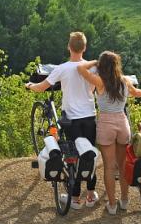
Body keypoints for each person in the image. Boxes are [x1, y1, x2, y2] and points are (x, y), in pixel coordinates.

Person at [25, 31, 99, 209]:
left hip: (71, 119)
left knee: (73, 155)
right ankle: (90, 194)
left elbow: (42, 87)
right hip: (89, 117)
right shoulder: (93, 68)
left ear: (69, 47)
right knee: (89, 155)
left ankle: (74, 199)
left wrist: (29, 86)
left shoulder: (62, 68)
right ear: (85, 48)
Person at [77, 51, 141, 215]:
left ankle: (112, 205)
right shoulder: (125, 81)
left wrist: (94, 63)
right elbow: (139, 93)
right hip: (122, 123)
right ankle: (124, 201)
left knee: (109, 168)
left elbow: (80, 69)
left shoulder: (100, 82)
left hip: (106, 124)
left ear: (102, 66)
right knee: (123, 165)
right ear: (116, 66)